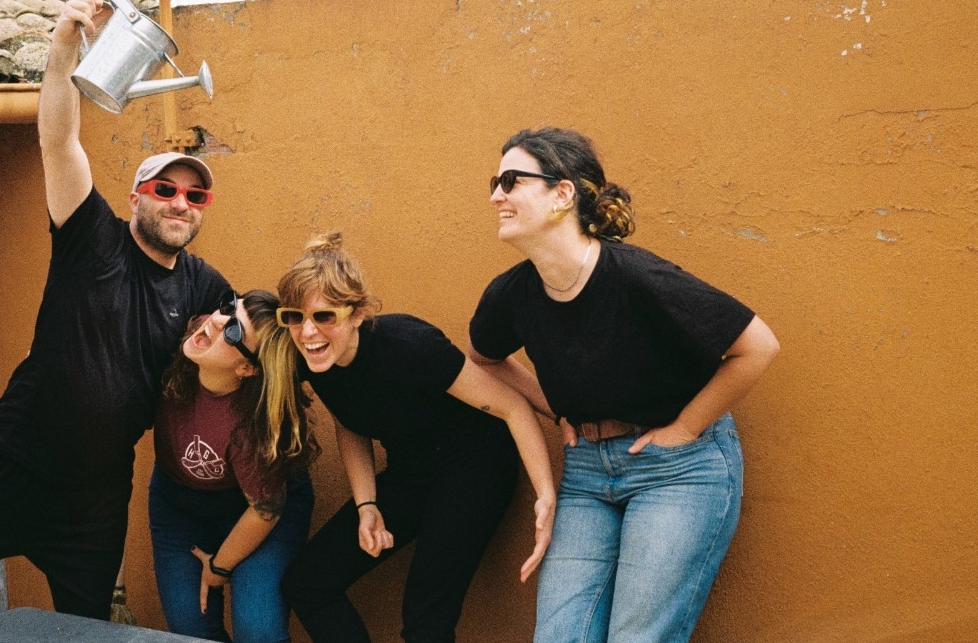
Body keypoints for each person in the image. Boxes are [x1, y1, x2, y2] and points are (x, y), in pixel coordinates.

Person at [0, 0, 231, 620]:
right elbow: (59, 141)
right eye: (166, 189)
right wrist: (64, 45)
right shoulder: (91, 237)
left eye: (195, 197)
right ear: (136, 197)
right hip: (11, 458)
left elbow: (254, 332)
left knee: (85, 629)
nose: (181, 203)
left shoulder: (203, 286)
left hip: (93, 499)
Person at [468, 127, 781, 643]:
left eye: (511, 181)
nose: (495, 196)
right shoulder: (511, 295)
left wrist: (685, 429)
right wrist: (559, 410)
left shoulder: (638, 277)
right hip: (587, 472)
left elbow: (758, 346)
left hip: (679, 469)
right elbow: (485, 358)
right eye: (493, 183)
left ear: (562, 194)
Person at [278, 232, 556, 643]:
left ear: (356, 314)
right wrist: (367, 506)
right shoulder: (314, 357)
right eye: (294, 317)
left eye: (324, 316)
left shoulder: (410, 346)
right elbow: (349, 423)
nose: (307, 332)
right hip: (410, 472)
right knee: (308, 581)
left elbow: (512, 407)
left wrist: (545, 493)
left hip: (475, 469)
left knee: (426, 621)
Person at [150, 290, 317, 642]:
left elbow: (265, 510)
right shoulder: (192, 336)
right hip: (179, 505)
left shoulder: (253, 424)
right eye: (228, 307)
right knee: (190, 632)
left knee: (258, 631)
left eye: (233, 331)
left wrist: (219, 566)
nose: (216, 321)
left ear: (247, 368)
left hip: (259, 507)